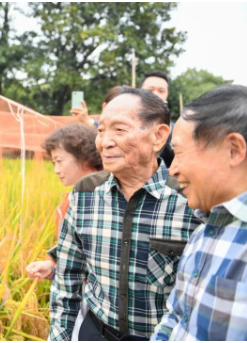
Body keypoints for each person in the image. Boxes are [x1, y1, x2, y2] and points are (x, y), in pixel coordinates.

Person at [49, 88, 201, 341]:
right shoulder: (85, 192)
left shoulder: (191, 199)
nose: (104, 142)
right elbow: (67, 280)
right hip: (96, 332)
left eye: (119, 130)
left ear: (158, 136)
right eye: (100, 130)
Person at [151, 85, 247, 341]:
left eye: (179, 152)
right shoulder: (204, 230)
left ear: (234, 150)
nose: (173, 170)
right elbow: (175, 315)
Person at [26, 123, 103, 340]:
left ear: (85, 158)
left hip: (100, 309)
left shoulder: (108, 199)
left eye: (59, 161)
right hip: (76, 304)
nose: (56, 169)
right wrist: (52, 267)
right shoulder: (68, 202)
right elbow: (76, 258)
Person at [140, 71, 174, 167]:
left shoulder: (176, 131)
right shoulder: (125, 125)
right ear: (139, 91)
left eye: (161, 91)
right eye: (150, 90)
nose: (156, 95)